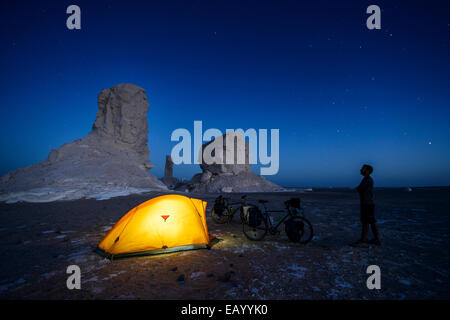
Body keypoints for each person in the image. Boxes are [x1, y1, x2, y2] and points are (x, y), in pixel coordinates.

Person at [354, 164, 381, 246]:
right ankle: (371, 239)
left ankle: (365, 240)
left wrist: (358, 188)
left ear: (367, 171)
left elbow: (359, 188)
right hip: (367, 203)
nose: (361, 170)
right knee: (368, 221)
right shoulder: (366, 179)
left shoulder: (367, 180)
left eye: (363, 169)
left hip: (367, 204)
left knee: (368, 221)